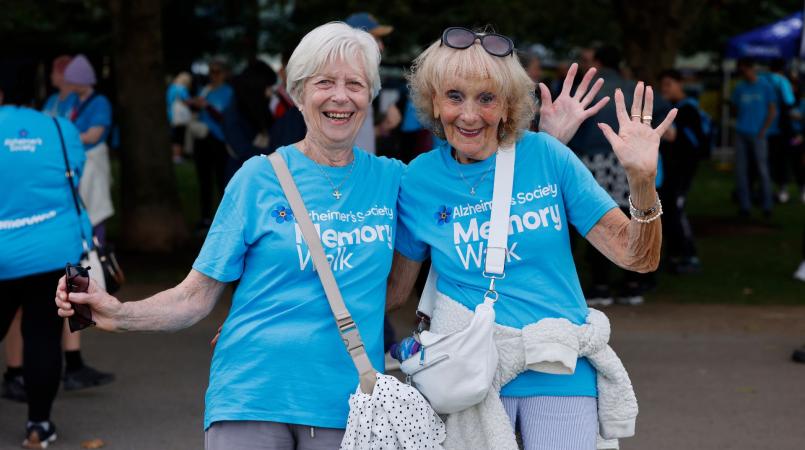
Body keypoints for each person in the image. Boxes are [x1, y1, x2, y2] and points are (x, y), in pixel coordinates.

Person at [56, 22, 404, 449]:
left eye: (355, 84)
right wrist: (117, 312)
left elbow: (407, 280)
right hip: (250, 395)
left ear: (370, 96)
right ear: (298, 94)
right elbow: (195, 297)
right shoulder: (257, 178)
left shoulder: (395, 181)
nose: (340, 96)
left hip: (347, 404)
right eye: (324, 83)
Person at [387, 27, 674, 450]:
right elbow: (395, 292)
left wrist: (642, 181)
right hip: (469, 380)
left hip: (559, 369)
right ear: (433, 102)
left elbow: (639, 258)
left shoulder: (546, 154)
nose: (469, 115)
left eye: (486, 98)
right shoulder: (417, 180)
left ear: (508, 105)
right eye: (454, 96)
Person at [1, 78, 92, 448]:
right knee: (43, 337)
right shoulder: (60, 128)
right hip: (53, 249)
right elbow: (76, 175)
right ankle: (38, 425)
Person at [568, 45, 667, 306]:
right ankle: (632, 283)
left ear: (597, 62)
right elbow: (662, 114)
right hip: (628, 160)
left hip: (592, 160)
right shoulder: (632, 87)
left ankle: (600, 284)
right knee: (633, 216)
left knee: (597, 219)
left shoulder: (588, 89)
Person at [64, 54, 115, 246]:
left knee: (96, 209)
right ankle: (83, 250)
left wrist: (66, 137)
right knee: (80, 208)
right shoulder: (73, 101)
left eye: (72, 80)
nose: (69, 84)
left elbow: (94, 135)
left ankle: (97, 251)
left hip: (93, 162)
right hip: (78, 162)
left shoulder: (100, 103)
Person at [658, 69, 704, 273]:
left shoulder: (688, 110)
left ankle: (689, 255)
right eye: (662, 85)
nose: (664, 89)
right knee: (669, 211)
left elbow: (692, 142)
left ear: (680, 84)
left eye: (668, 84)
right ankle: (675, 254)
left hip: (682, 171)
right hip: (670, 171)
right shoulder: (673, 108)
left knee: (677, 210)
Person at [345, 12, 401, 155]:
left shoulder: (362, 81)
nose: (381, 47)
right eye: (375, 39)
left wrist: (382, 128)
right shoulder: (343, 86)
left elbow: (355, 134)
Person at [188, 59, 234, 232]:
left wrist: (206, 106)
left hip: (218, 140)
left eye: (217, 72)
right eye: (211, 72)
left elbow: (223, 117)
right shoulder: (205, 89)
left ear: (224, 74)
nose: (213, 75)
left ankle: (226, 218)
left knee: (221, 179)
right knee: (204, 179)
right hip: (202, 138)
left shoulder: (228, 92)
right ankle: (206, 217)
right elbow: (196, 111)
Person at [731, 57, 776, 218]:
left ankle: (767, 205)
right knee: (741, 171)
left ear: (752, 69)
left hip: (758, 134)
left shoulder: (765, 86)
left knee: (762, 170)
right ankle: (745, 206)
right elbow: (734, 108)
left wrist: (764, 129)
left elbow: (772, 110)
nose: (744, 74)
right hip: (741, 132)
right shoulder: (739, 88)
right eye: (741, 71)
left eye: (745, 70)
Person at [221, 59, 278, 183]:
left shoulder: (257, 107)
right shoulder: (234, 113)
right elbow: (243, 151)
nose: (270, 93)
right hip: (242, 179)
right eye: (268, 87)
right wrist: (278, 155)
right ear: (256, 86)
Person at [762, 59, 797, 203]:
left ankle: (764, 189)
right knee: (782, 160)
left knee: (764, 161)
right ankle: (782, 190)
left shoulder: (761, 79)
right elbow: (789, 102)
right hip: (779, 129)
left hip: (761, 128)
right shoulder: (782, 81)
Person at [166, 71, 193, 164]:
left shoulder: (171, 88)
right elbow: (187, 101)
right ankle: (177, 156)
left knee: (174, 137)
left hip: (170, 115)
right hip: (179, 118)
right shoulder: (182, 89)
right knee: (179, 137)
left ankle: (174, 155)